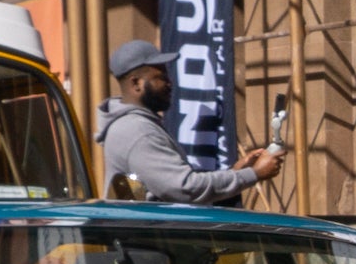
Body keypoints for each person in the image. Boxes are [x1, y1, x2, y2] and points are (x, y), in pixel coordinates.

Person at [94, 40, 285, 202]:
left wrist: (235, 171)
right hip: (145, 245)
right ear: (136, 83)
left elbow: (178, 185)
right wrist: (253, 174)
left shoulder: (137, 125)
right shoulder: (137, 130)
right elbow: (184, 188)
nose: (169, 83)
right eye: (160, 77)